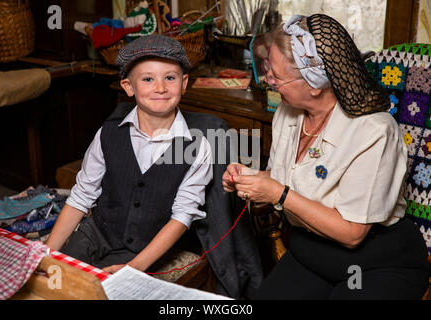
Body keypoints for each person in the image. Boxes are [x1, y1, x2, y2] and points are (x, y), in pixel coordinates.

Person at [223, 14, 430, 299]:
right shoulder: (287, 112)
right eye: (268, 68)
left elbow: (352, 233)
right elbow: (289, 178)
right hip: (311, 252)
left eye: (276, 75)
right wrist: (252, 180)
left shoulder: (375, 132)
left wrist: (277, 194)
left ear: (314, 84)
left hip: (375, 262)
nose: (268, 80)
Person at [46, 35, 213, 274]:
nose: (161, 87)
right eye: (147, 79)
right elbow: (81, 197)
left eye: (170, 77)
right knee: (58, 280)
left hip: (147, 249)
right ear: (128, 87)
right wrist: (46, 254)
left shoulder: (198, 148)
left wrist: (134, 267)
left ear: (184, 83)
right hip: (97, 234)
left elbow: (182, 217)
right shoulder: (108, 133)